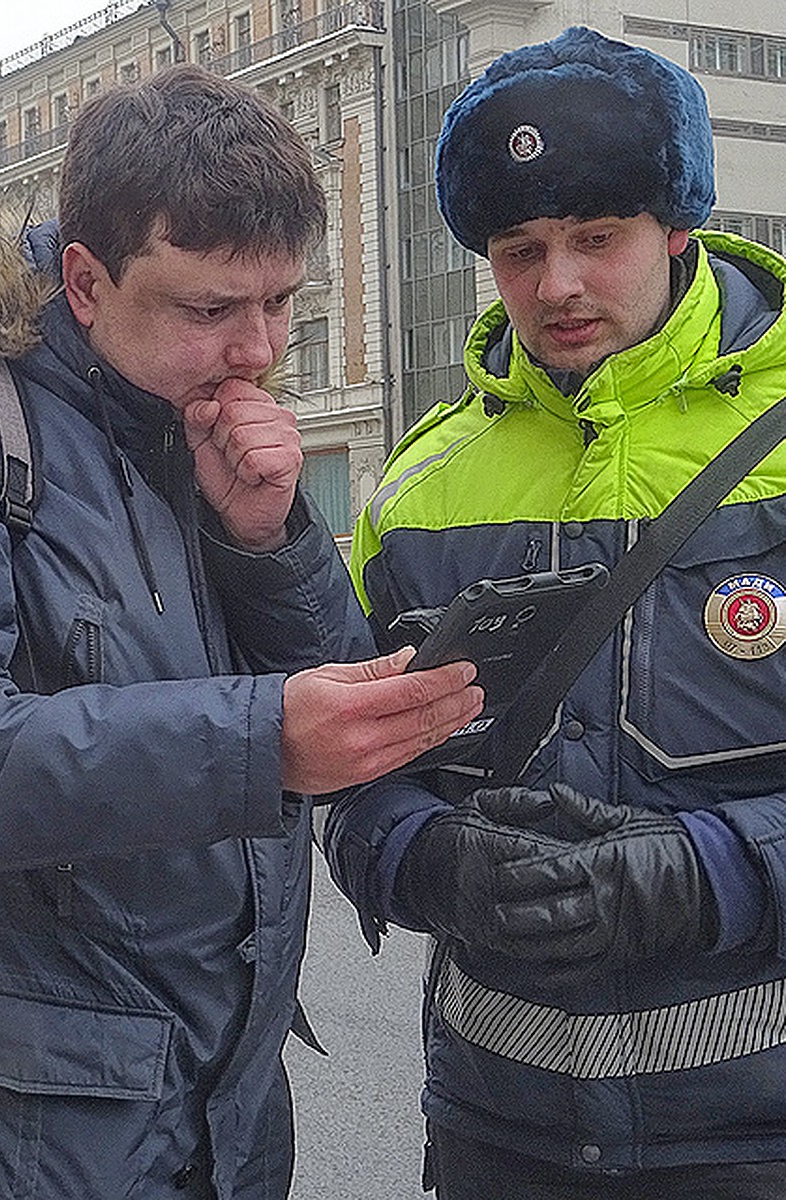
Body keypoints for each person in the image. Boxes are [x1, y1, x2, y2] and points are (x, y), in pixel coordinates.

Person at [0, 65, 482, 1200]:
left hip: (210, 1121)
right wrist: (263, 743)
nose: (256, 350)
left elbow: (320, 679)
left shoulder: (186, 430)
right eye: (210, 309)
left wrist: (267, 539)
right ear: (85, 281)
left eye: (280, 303)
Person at [324, 26, 786, 1200]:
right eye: (519, 249)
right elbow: (348, 779)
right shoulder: (420, 490)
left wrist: (713, 872)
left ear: (679, 226)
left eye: (597, 238)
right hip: (498, 1136)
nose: (558, 284)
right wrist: (427, 861)